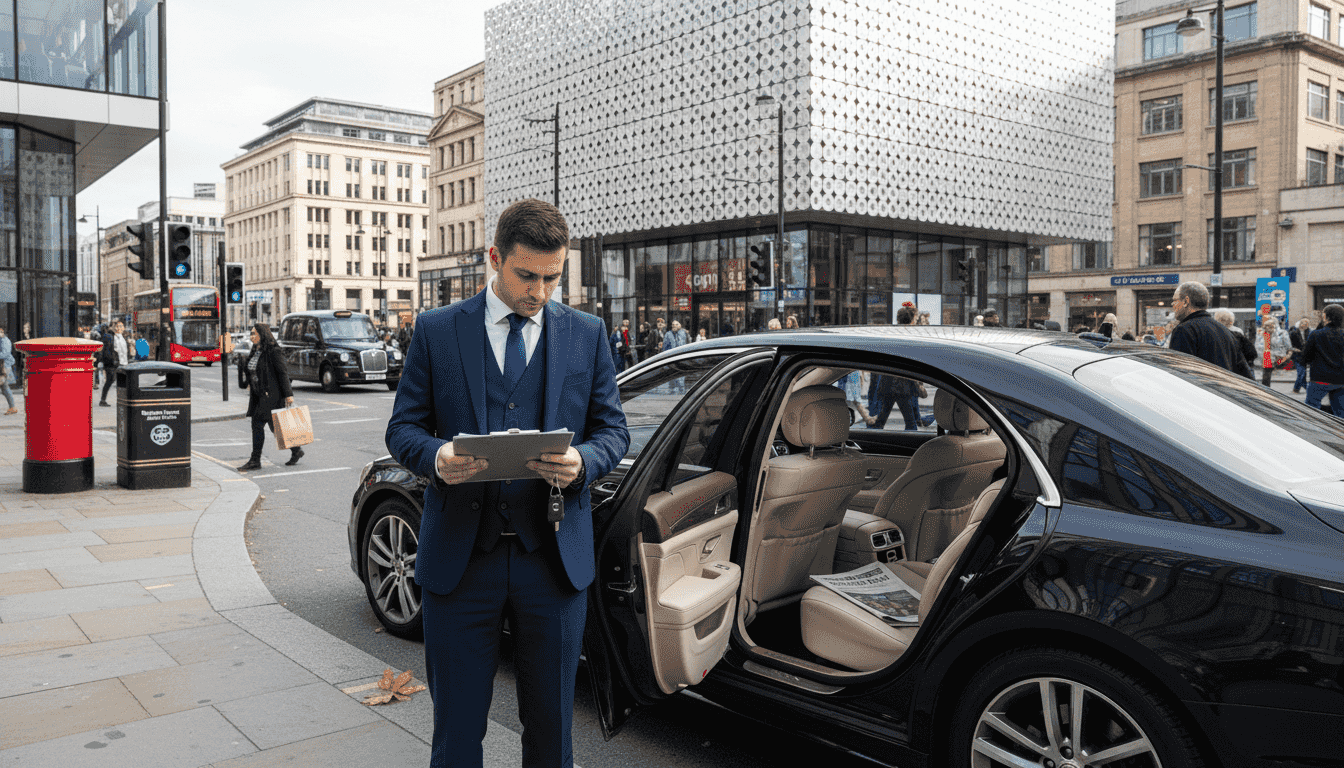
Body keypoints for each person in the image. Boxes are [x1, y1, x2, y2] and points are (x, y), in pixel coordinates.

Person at [385, 199, 629, 768]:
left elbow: (612, 430)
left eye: (551, 277)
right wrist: (436, 456)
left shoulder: (586, 334)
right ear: (494, 257)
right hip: (461, 563)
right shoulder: (438, 330)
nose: (539, 292)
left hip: (553, 563)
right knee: (457, 736)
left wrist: (585, 463)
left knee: (551, 738)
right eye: (526, 275)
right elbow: (403, 428)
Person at [237, 323, 301, 471]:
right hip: (258, 395)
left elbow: (282, 373)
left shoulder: (274, 351)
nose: (252, 337)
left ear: (262, 334)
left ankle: (255, 460)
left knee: (257, 424)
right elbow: (252, 370)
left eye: (254, 334)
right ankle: (296, 450)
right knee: (276, 427)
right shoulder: (255, 350)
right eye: (251, 334)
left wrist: (288, 394)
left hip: (271, 395)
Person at [1166, 281, 1251, 377]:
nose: (1173, 304)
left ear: (1186, 301)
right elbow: (1244, 373)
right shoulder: (1226, 331)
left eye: (1175, 300)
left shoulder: (1183, 330)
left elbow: (1180, 374)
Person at [1303, 304, 1344, 416]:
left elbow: (1305, 357)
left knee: (1312, 410)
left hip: (1319, 378)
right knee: (1340, 412)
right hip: (1340, 380)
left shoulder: (1316, 334)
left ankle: (1312, 432)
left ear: (1326, 317)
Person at [1213, 308, 1256, 377]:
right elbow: (1251, 353)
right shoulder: (1238, 333)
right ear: (1231, 320)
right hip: (1236, 370)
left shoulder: (1213, 332)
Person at [1254, 316, 1292, 387]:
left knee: (1266, 376)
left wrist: (1284, 356)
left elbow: (1288, 347)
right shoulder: (1261, 333)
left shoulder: (1282, 333)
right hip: (1265, 357)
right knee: (1266, 376)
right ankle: (1265, 390)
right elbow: (1257, 346)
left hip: (1277, 358)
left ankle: (1265, 390)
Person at [98, 320, 128, 407]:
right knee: (110, 380)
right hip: (112, 363)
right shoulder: (110, 336)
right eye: (118, 326)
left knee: (122, 382)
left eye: (122, 326)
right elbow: (108, 350)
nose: (120, 328)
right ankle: (102, 400)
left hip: (123, 362)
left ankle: (122, 400)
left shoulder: (122, 337)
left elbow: (124, 351)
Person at [1291, 318, 1312, 393]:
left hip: (1305, 355)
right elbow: (1290, 344)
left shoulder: (1310, 332)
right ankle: (1296, 389)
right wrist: (1294, 349)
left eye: (1307, 323)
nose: (1305, 324)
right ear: (1300, 323)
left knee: (1303, 373)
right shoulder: (1294, 332)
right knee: (1301, 373)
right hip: (1297, 355)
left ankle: (1306, 388)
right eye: (1303, 323)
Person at [0, 325, 15, 415]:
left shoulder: (5, 341)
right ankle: (12, 407)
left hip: (4, 366)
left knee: (4, 387)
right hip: (2, 366)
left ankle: (12, 407)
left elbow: (5, 354)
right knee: (4, 387)